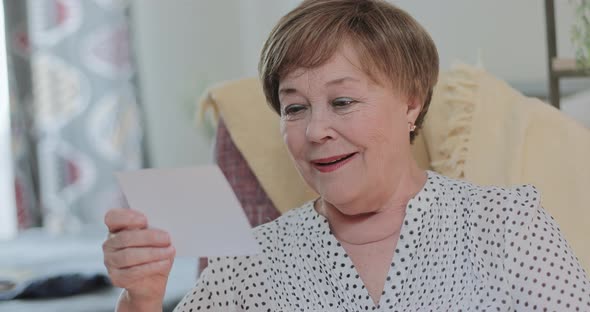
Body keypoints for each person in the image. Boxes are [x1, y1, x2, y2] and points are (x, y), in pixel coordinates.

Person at [102, 0, 590, 311]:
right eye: (294, 108)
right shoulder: (244, 265)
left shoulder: (508, 225)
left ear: (411, 103)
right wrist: (141, 299)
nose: (316, 130)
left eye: (342, 102)